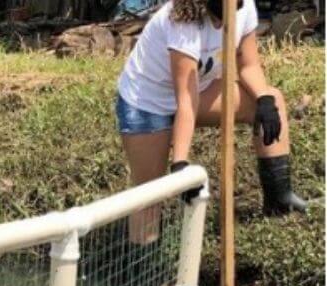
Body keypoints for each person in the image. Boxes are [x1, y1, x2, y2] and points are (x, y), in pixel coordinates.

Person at [116, 0, 307, 242]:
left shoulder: (244, 7)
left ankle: (280, 201)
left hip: (201, 90)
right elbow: (186, 100)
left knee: (273, 100)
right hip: (147, 102)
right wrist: (180, 164)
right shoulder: (183, 20)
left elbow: (248, 65)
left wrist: (263, 99)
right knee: (149, 196)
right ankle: (143, 264)